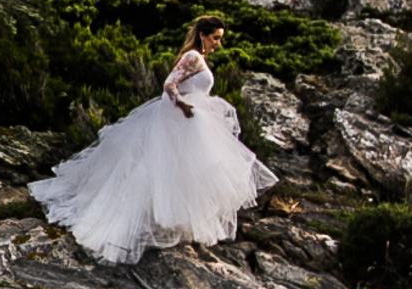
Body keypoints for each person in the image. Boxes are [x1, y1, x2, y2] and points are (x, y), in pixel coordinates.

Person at [26, 15, 277, 263]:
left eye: (219, 39)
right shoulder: (192, 57)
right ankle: (136, 224)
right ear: (202, 35)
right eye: (215, 38)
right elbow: (169, 84)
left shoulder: (198, 59)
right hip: (182, 119)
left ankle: (170, 224)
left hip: (190, 122)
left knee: (183, 173)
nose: (218, 43)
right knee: (161, 171)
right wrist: (183, 106)